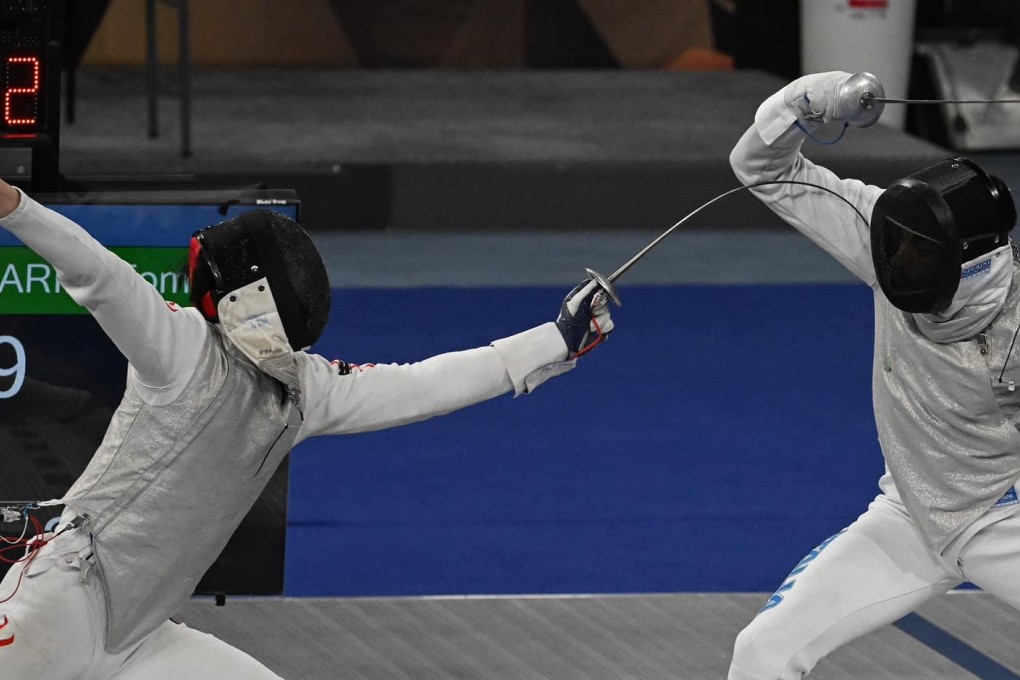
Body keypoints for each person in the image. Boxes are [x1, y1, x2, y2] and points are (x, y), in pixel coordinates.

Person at [0, 178, 614, 680]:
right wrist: (17, 207)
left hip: (136, 638)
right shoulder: (184, 350)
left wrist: (552, 342)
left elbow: (425, 386)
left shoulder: (304, 390)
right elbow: (98, 276)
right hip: (57, 606)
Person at [727, 70, 1020, 679]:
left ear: (968, 262)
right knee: (763, 652)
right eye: (899, 242)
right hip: (910, 512)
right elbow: (762, 169)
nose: (895, 259)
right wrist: (800, 103)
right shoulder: (888, 241)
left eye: (916, 251)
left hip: (1003, 520)